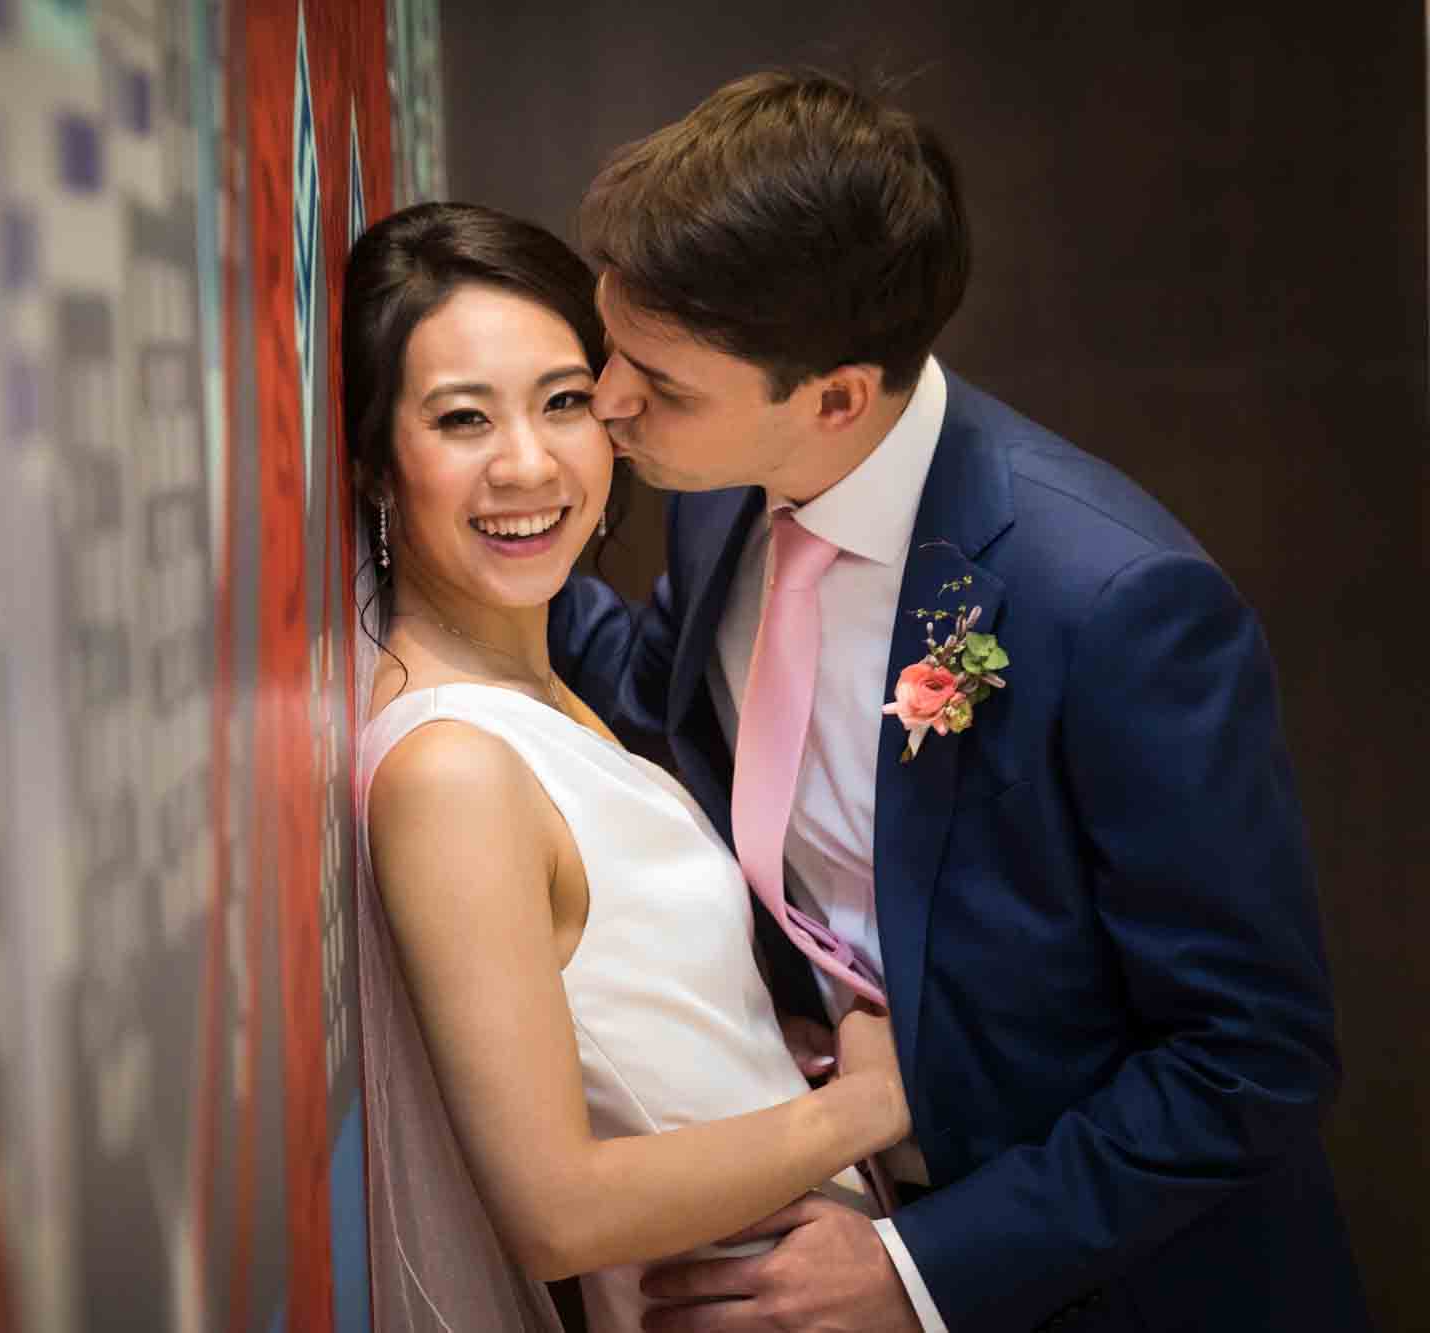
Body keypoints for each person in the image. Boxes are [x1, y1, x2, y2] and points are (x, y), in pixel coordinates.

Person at [548, 70, 1371, 1332]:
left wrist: (917, 1269)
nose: (606, 402)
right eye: (612, 350)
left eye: (659, 384)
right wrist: (477, 536)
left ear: (834, 396)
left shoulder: (1111, 606)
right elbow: (667, 706)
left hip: (1114, 1281)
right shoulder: (725, 486)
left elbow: (1247, 1058)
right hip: (837, 1184)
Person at [348, 200, 911, 1333]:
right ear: (374, 464)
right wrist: (872, 1102)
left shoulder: (550, 689)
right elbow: (556, 1209)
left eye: (562, 403)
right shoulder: (451, 767)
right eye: (461, 420)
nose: (526, 464)